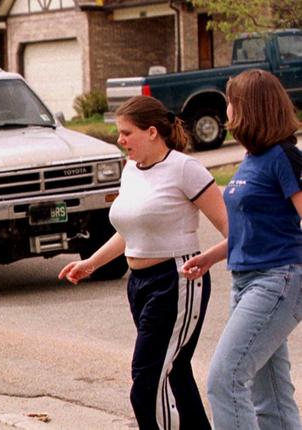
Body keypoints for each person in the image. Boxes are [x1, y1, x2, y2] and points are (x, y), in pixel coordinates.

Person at [58, 95, 228, 429]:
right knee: (175, 374)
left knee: (147, 384)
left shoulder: (184, 168)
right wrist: (91, 262)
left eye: (126, 133)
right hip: (139, 285)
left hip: (177, 279)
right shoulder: (131, 170)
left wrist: (207, 258)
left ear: (152, 132)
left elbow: (233, 230)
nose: (120, 140)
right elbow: (130, 231)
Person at [182, 69, 302, 430]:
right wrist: (209, 257)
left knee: (225, 379)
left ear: (250, 107)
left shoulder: (285, 157)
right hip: (246, 280)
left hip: (278, 280)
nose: (226, 109)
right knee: (272, 397)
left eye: (231, 102)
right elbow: (251, 228)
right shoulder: (252, 158)